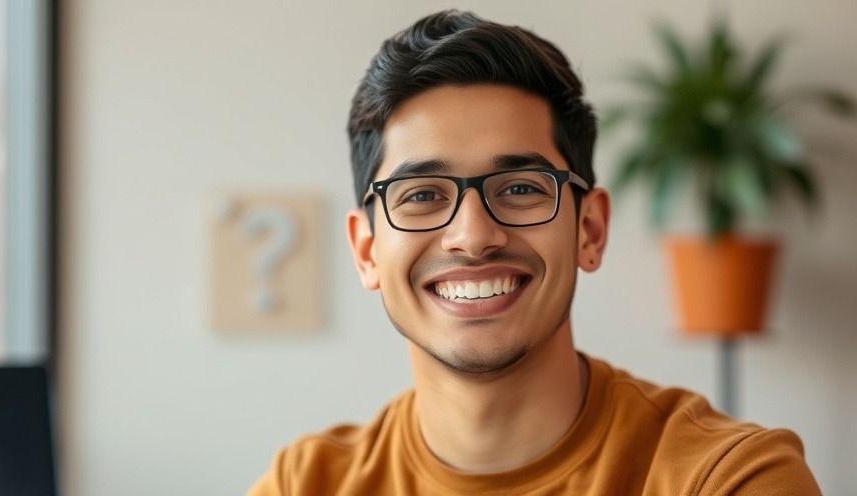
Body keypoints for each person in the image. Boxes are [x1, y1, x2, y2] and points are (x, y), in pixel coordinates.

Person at [247, 10, 821, 495]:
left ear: (589, 230)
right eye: (421, 195)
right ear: (367, 250)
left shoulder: (728, 479)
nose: (472, 236)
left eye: (521, 188)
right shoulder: (305, 482)